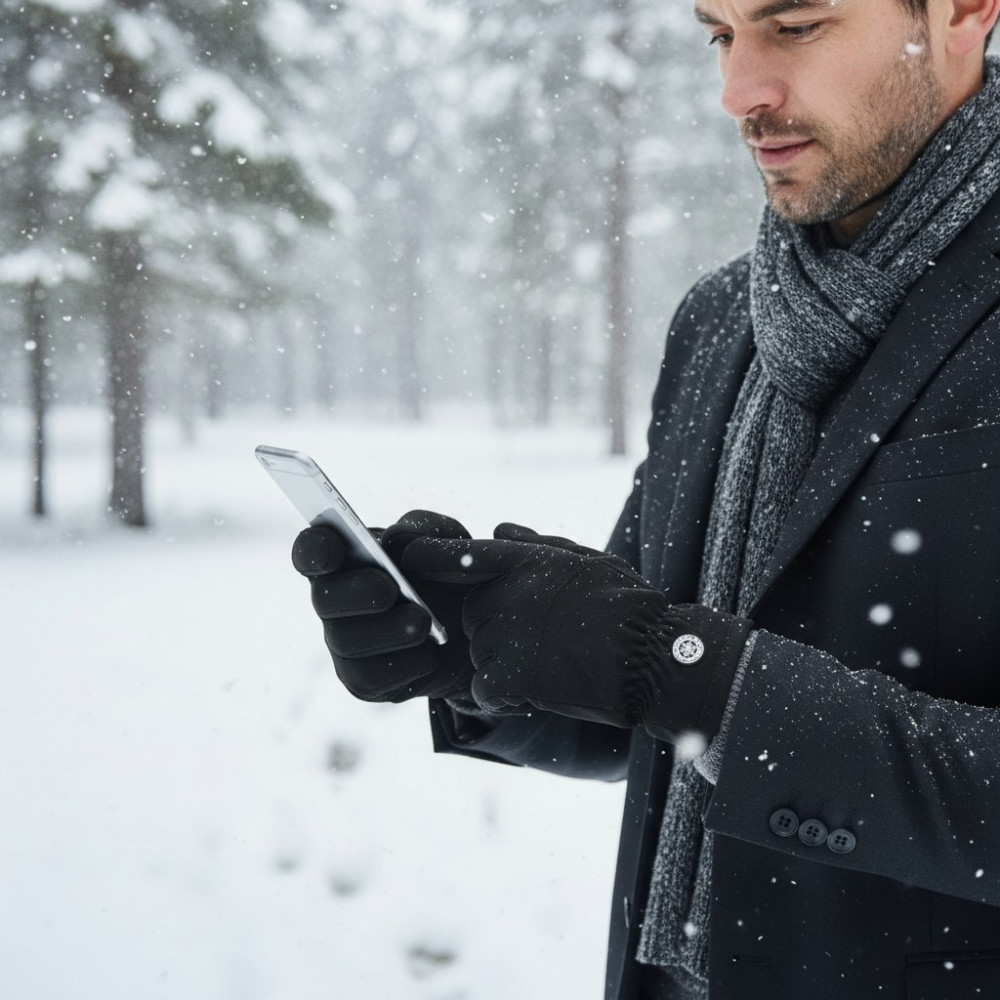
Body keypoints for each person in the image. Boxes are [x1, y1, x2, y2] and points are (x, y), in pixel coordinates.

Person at [291, 1, 1000, 997]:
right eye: (720, 34)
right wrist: (479, 647)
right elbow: (647, 707)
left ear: (966, 11)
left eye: (793, 26)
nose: (736, 91)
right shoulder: (721, 321)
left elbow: (684, 677)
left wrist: (685, 673)